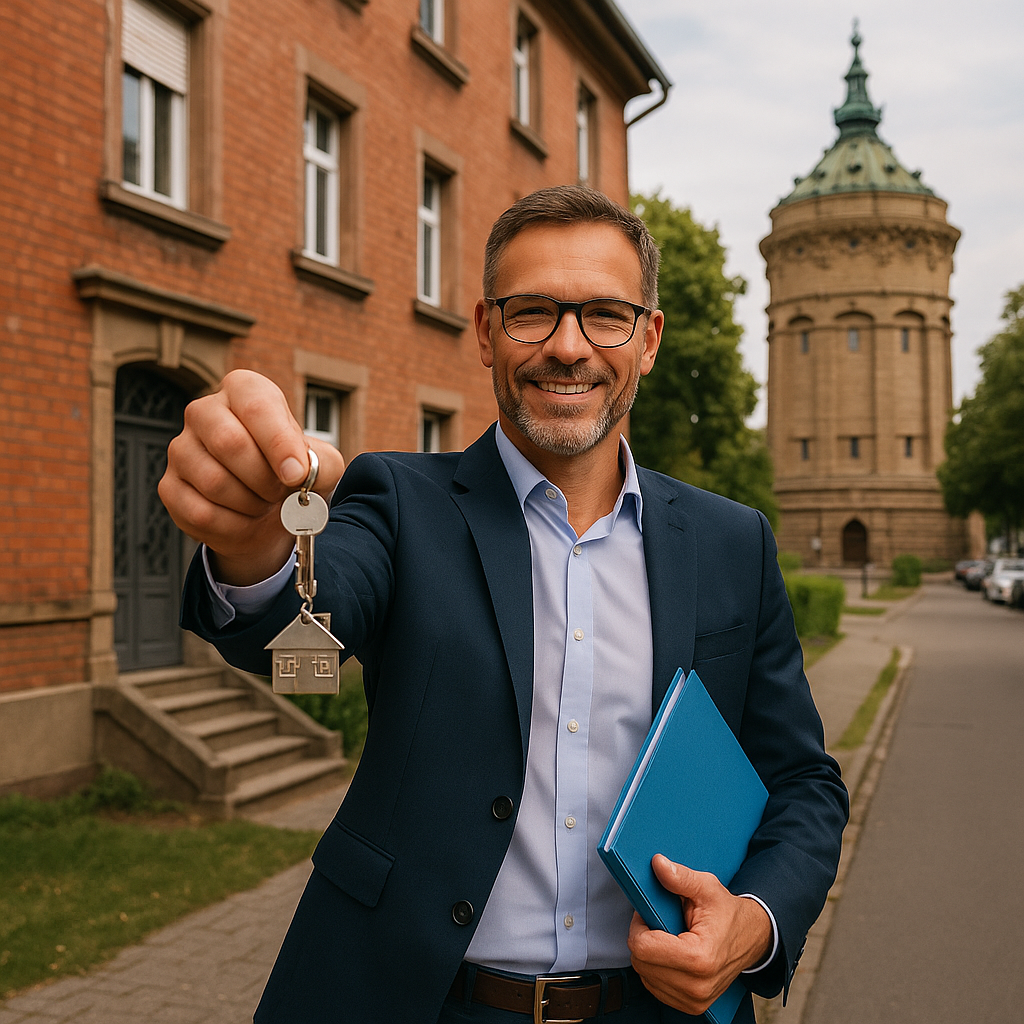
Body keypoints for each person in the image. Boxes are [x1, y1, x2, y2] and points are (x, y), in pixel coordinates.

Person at [160, 185, 848, 1024]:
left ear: (649, 339)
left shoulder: (733, 540)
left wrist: (756, 923)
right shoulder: (400, 500)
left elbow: (803, 781)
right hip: (416, 1001)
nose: (568, 347)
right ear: (485, 331)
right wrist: (254, 538)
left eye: (605, 314)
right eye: (532, 313)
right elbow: (305, 612)